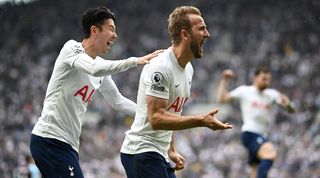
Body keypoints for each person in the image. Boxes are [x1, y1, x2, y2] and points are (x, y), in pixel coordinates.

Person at [29, 6, 162, 178]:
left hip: (68, 145)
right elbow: (93, 68)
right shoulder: (71, 49)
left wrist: (150, 114)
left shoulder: (100, 69)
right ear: (94, 30)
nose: (115, 35)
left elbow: (118, 101)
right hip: (49, 139)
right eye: (111, 29)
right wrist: (135, 61)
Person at [120, 6, 233, 178]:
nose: (207, 34)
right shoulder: (161, 68)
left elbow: (170, 112)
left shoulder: (188, 69)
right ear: (185, 34)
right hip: (141, 151)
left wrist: (171, 149)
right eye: (202, 28)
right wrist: (202, 120)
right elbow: (157, 118)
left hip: (159, 153)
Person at [216, 68, 295, 178]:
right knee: (270, 153)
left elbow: (291, 109)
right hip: (250, 133)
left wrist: (288, 105)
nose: (266, 82)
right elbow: (222, 99)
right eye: (263, 79)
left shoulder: (272, 94)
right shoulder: (245, 91)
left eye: (268, 79)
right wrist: (224, 80)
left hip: (263, 135)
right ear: (255, 78)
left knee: (255, 171)